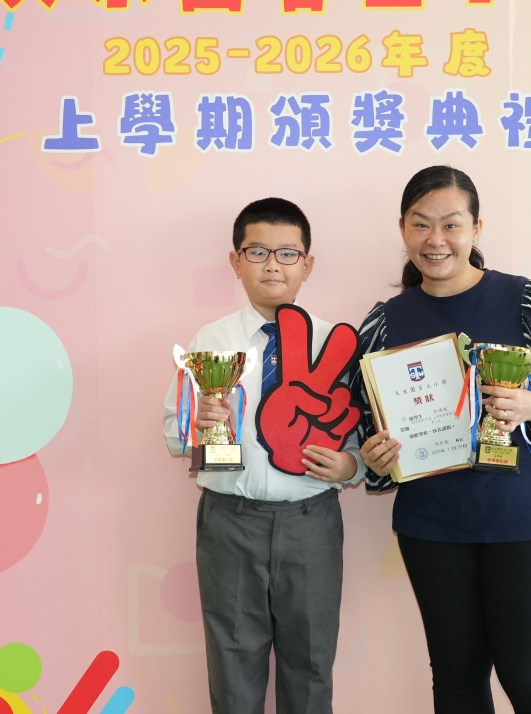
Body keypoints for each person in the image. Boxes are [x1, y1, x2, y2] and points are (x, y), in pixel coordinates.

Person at [348, 166, 531, 714]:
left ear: (476, 228)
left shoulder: (527, 302)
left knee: (530, 676)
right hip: (433, 526)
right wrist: (374, 456)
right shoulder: (383, 325)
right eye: (421, 224)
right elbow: (365, 427)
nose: (436, 239)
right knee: (456, 679)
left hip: (529, 521)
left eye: (451, 224)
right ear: (402, 229)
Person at [162, 197, 365, 714]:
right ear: (236, 261)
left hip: (312, 522)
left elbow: (362, 433)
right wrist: (195, 426)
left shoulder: (338, 343)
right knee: (232, 667)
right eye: (257, 252)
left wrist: (351, 467)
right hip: (230, 522)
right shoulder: (211, 341)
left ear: (307, 264)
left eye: (287, 253)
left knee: (312, 666)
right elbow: (175, 434)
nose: (272, 265)